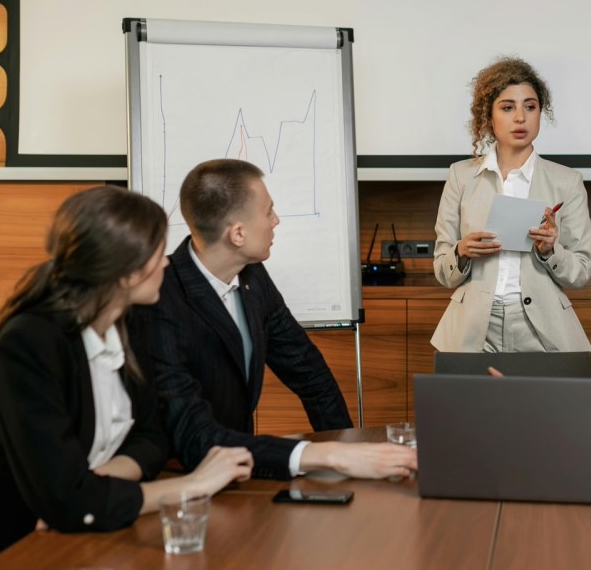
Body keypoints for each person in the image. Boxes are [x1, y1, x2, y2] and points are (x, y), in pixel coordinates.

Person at [0, 187, 253, 570]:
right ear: (126, 271)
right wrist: (191, 486)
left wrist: (95, 483)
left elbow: (152, 436)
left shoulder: (124, 326)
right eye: (157, 253)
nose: (166, 263)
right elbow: (72, 503)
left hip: (63, 547)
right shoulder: (29, 344)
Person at [127, 159, 415, 482]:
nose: (275, 221)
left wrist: (345, 448)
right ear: (238, 233)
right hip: (179, 482)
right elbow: (195, 436)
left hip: (239, 472)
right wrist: (328, 455)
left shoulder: (253, 277)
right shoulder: (159, 299)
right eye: (268, 212)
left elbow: (309, 372)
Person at [431, 56, 591, 353]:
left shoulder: (567, 181)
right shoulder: (461, 176)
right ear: (488, 116)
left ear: (540, 113)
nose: (521, 117)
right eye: (508, 107)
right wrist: (462, 252)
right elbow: (443, 270)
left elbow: (580, 273)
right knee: (474, 402)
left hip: (542, 326)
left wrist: (550, 250)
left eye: (530, 107)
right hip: (474, 325)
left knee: (540, 402)